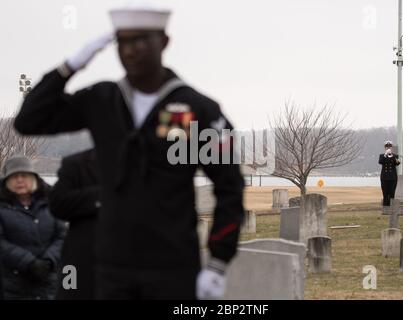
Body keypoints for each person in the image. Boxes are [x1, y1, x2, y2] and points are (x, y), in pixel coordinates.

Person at [14, 3, 244, 300]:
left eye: (139, 40)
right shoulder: (103, 100)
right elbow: (29, 120)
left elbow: (230, 187)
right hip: (112, 266)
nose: (130, 51)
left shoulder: (196, 108)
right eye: (122, 42)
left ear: (163, 42)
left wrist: (218, 262)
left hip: (172, 265)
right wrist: (68, 66)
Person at [0, 156, 66, 300]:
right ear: (7, 181)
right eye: (14, 176)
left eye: (24, 175)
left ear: (34, 179)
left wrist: (49, 260)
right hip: (13, 283)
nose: (20, 180)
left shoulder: (51, 203)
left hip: (49, 281)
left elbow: (62, 235)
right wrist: (28, 262)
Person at [49, 149, 100, 300]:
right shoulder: (76, 164)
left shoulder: (149, 163)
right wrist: (105, 196)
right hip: (80, 264)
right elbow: (58, 203)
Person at [378, 140, 401, 207]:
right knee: (385, 193)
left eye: (389, 147)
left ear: (391, 148)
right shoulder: (382, 156)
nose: (388, 148)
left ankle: (392, 208)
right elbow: (380, 162)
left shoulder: (395, 156)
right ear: (384, 147)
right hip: (384, 177)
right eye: (387, 147)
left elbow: (397, 163)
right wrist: (385, 154)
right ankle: (385, 208)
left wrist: (392, 156)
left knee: (392, 193)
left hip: (392, 177)